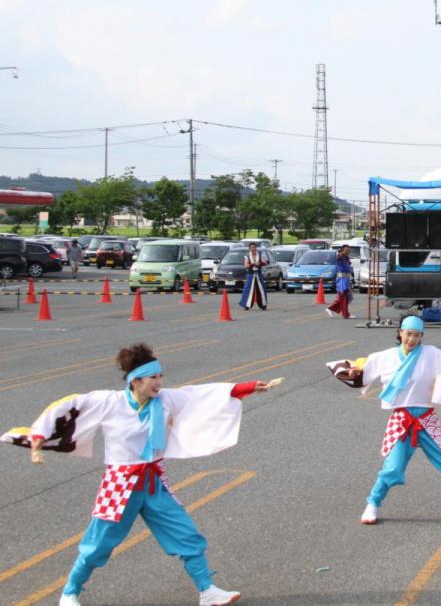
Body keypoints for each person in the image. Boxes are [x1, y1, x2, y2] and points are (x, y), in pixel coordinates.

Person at [5, 342, 272, 606]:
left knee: (186, 534)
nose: (159, 382)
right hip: (119, 483)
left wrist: (246, 387)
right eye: (153, 377)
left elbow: (200, 396)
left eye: (160, 376)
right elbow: (69, 405)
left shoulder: (166, 399)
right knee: (98, 544)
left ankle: (207, 591)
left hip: (153, 481)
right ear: (135, 381)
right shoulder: (109, 402)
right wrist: (39, 434)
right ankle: (70, 592)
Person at [326, 315, 441, 525]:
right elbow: (362, 370)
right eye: (409, 334)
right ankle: (372, 504)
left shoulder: (431, 355)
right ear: (400, 333)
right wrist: (348, 371)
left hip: (427, 418)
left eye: (417, 335)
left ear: (422, 336)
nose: (412, 339)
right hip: (401, 419)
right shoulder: (385, 357)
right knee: (392, 468)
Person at [326, 245, 354, 319]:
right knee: (343, 296)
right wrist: (340, 253)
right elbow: (338, 258)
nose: (348, 251)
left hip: (346, 278)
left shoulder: (346, 257)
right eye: (346, 250)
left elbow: (348, 267)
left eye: (349, 250)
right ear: (342, 250)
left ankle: (330, 308)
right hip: (341, 279)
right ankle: (346, 314)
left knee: (345, 296)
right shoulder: (339, 257)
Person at [238, 242, 267, 311]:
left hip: (258, 274)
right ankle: (246, 305)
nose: (253, 249)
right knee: (247, 289)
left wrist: (260, 263)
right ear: (249, 249)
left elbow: (265, 263)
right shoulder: (247, 256)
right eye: (252, 248)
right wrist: (253, 264)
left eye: (254, 247)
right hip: (250, 274)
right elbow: (245, 265)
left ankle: (263, 304)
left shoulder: (259, 255)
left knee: (261, 289)